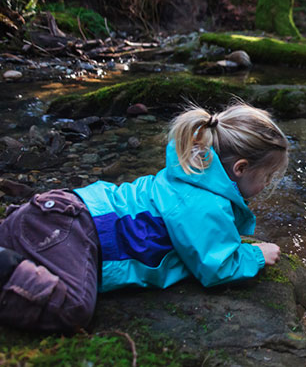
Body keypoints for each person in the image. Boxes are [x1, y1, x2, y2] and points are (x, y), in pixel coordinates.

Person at [0, 102, 288, 332]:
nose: (267, 184)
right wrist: (256, 255)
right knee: (74, 309)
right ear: (240, 168)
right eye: (267, 176)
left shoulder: (193, 171)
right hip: (74, 230)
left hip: (58, 214)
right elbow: (217, 268)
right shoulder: (204, 204)